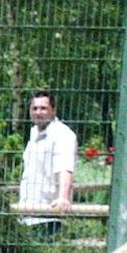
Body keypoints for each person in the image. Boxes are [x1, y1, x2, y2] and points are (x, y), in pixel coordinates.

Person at [17, 90, 75, 240]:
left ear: (53, 110)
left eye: (43, 108)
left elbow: (65, 167)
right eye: (34, 108)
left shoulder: (62, 134)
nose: (38, 112)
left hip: (49, 216)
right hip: (27, 214)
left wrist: (63, 197)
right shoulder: (33, 133)